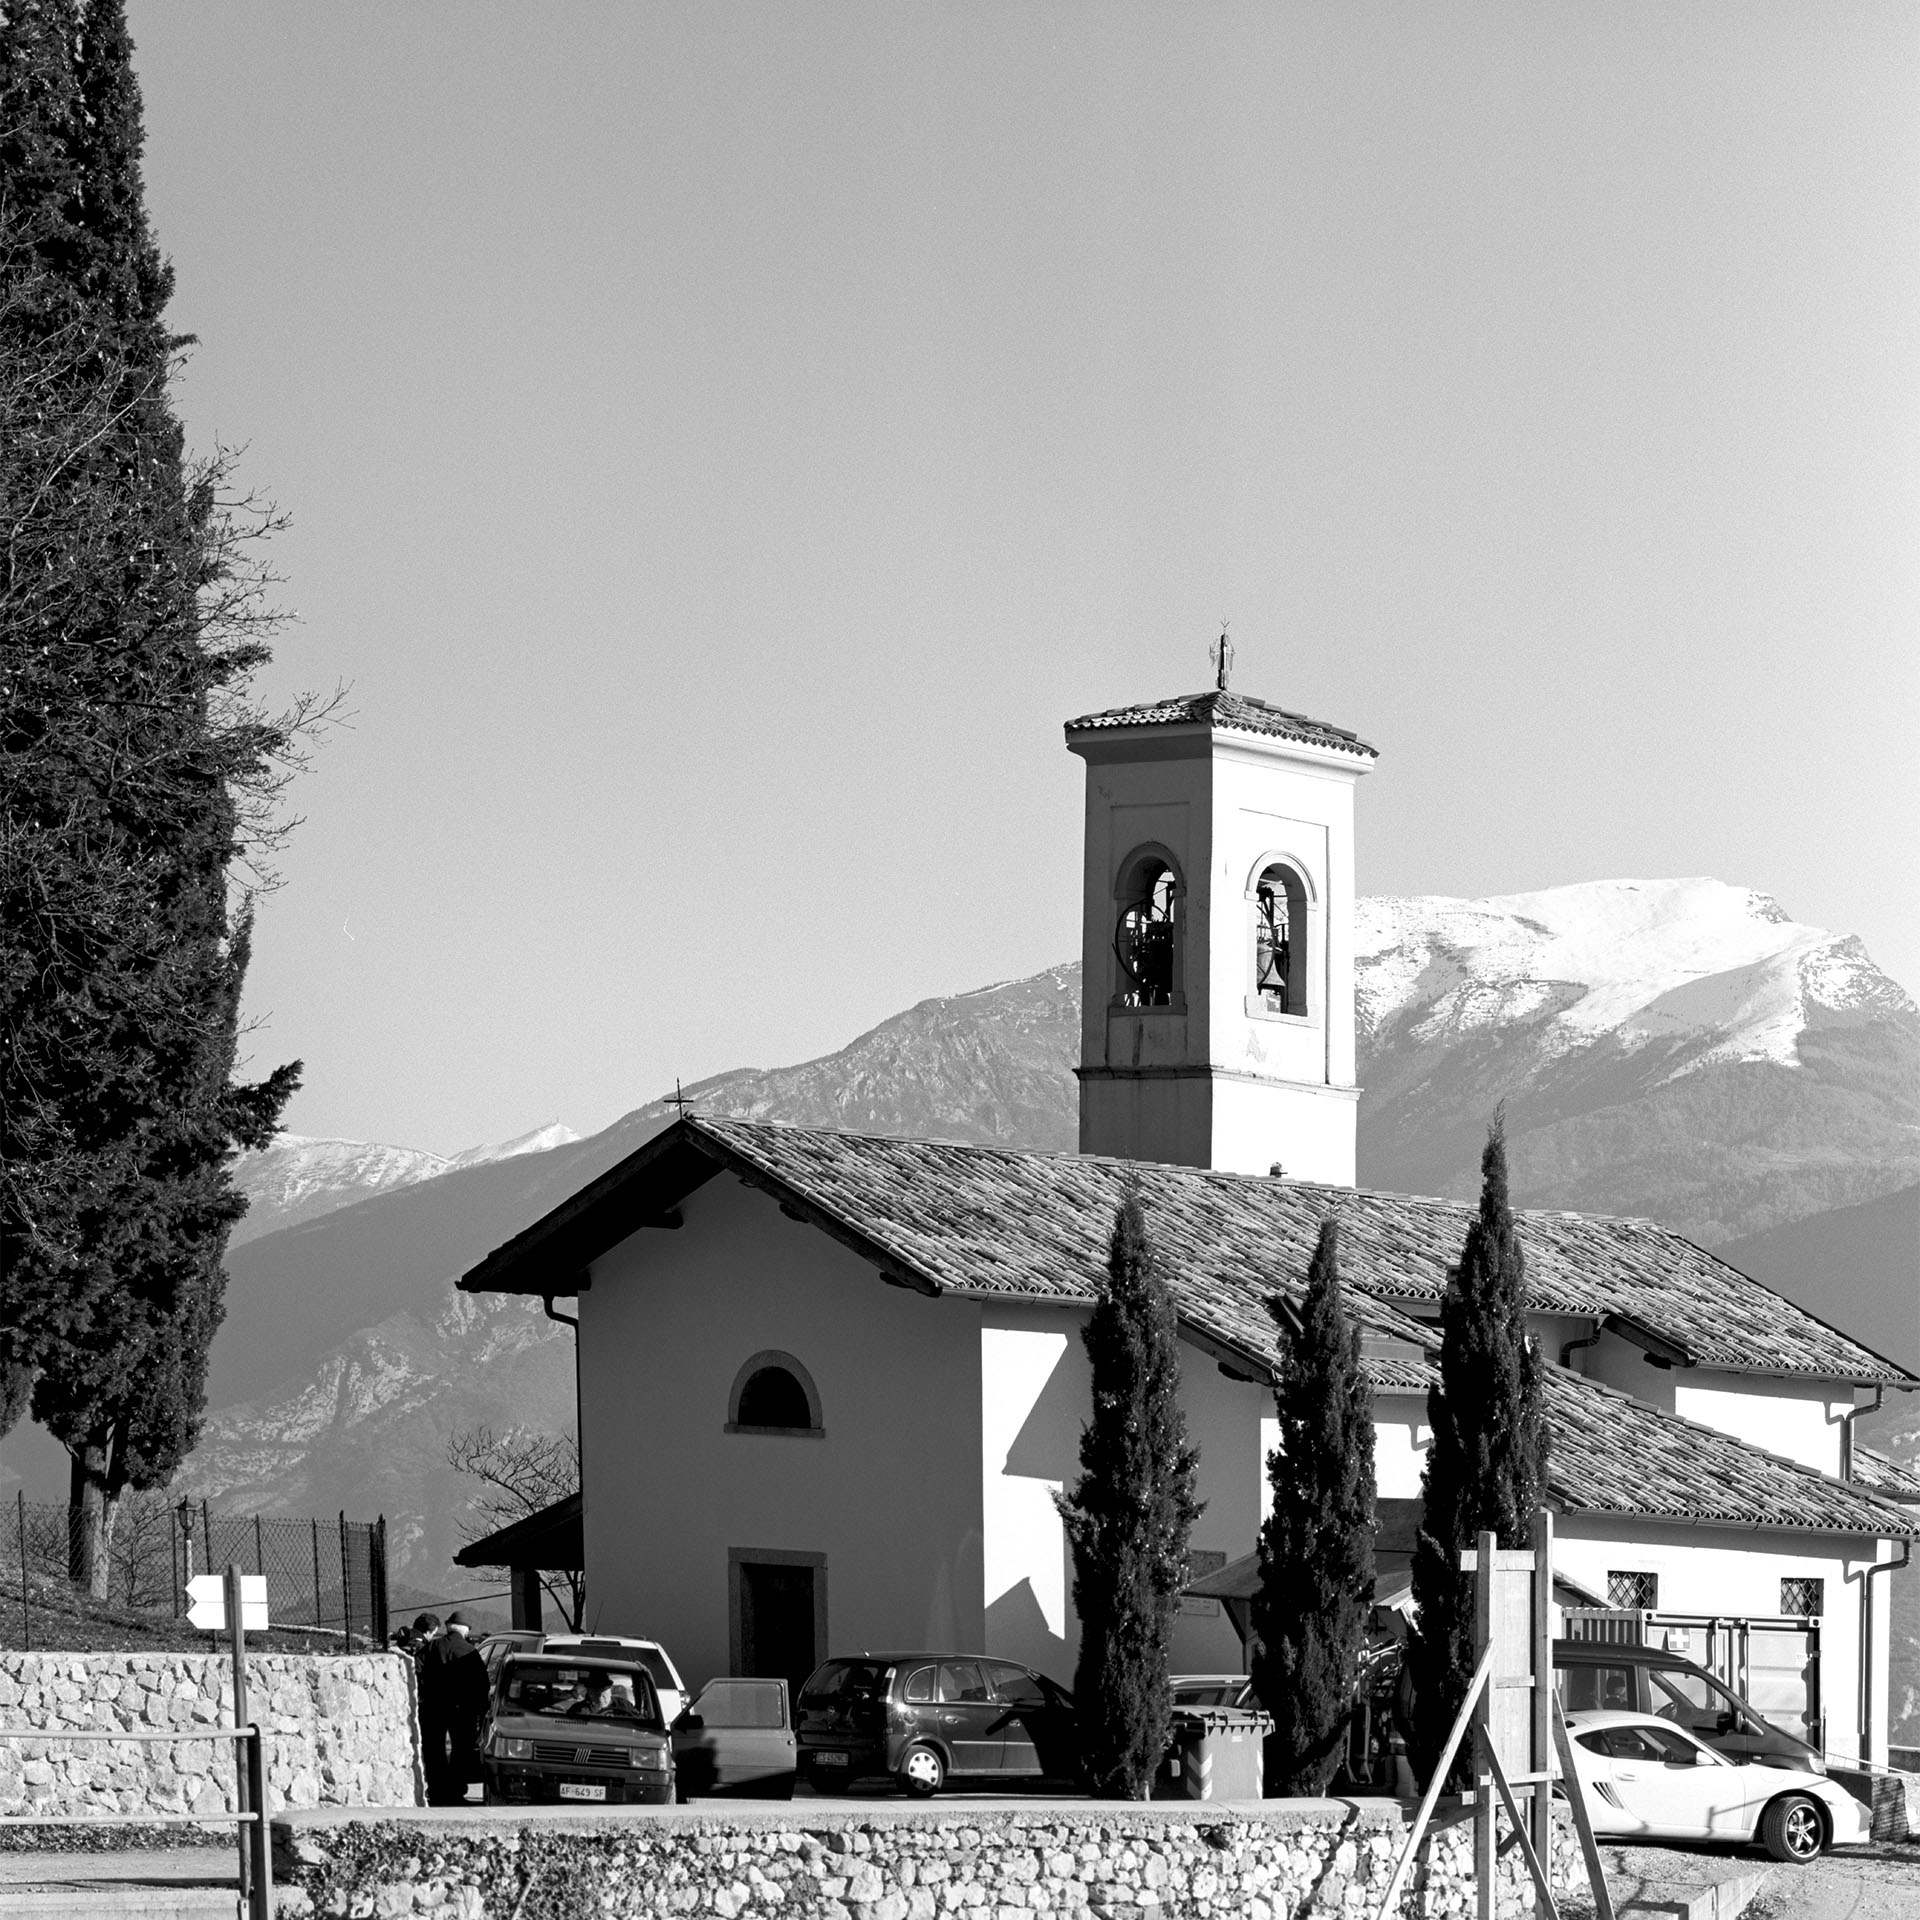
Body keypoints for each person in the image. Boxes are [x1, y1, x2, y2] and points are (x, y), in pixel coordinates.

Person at [417, 1612, 488, 1804]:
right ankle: (456, 1790)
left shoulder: (432, 1646)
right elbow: (482, 1684)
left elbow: (417, 1668)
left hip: (433, 1707)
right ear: (465, 1630)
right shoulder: (470, 1652)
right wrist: (479, 1709)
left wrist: (424, 1694)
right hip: (462, 1709)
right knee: (461, 1748)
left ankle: (437, 1789)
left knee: (434, 1749)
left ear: (448, 1627)